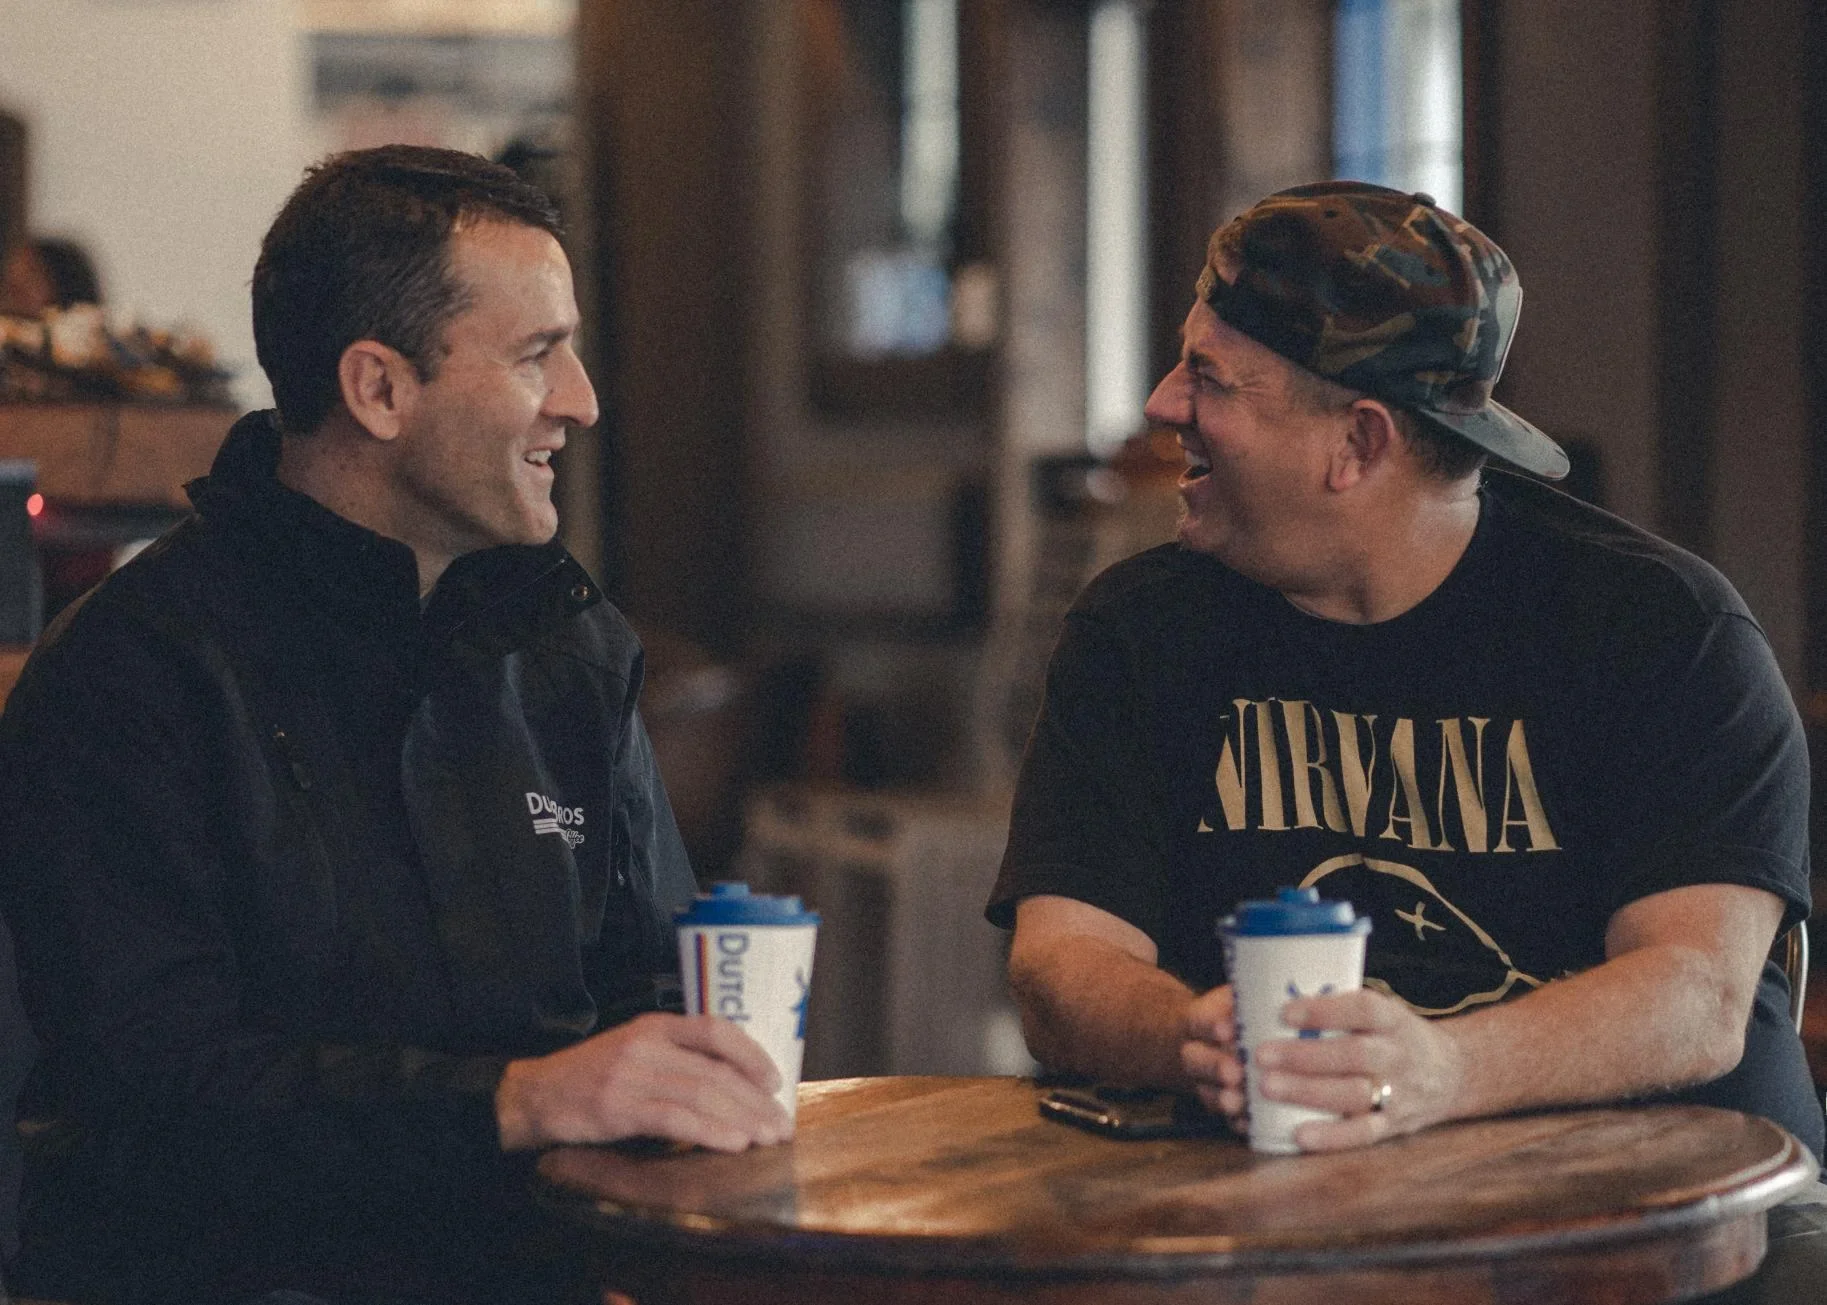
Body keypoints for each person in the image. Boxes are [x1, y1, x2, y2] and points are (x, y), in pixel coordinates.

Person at [0, 145, 787, 1304]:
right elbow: (152, 1105)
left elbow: (649, 1003)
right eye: (536, 355)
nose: (582, 399)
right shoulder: (132, 673)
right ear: (378, 388)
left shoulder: (571, 652)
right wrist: (520, 1100)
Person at [987, 181, 1823, 1166]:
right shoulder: (1141, 628)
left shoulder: (1659, 632)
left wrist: (1444, 1071)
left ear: (1359, 442)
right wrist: (1193, 1037)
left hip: (1680, 1213)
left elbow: (1699, 992)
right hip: (1309, 1208)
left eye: (1210, 379)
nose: (1163, 404)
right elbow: (1061, 958)